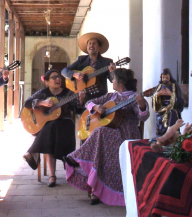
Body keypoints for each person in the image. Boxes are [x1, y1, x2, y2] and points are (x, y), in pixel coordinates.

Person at [64, 68, 150, 206]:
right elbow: (88, 103)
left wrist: (141, 105)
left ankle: (77, 159)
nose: (112, 82)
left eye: (114, 79)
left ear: (121, 82)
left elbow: (143, 117)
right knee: (101, 135)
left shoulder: (133, 97)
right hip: (110, 134)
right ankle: (95, 188)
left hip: (127, 135)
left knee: (99, 133)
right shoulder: (112, 96)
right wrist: (96, 107)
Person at [22, 69, 85, 187]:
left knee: (51, 128)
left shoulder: (68, 93)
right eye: (54, 77)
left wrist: (80, 101)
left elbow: (77, 110)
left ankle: (34, 154)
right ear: (46, 82)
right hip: (50, 127)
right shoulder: (43, 93)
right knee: (51, 128)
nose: (58, 79)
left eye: (58, 77)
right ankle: (52, 174)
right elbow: (27, 103)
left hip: (65, 123)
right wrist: (42, 103)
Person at [61, 32, 115, 101]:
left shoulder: (107, 62)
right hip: (83, 98)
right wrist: (75, 74)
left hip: (100, 98)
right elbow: (64, 71)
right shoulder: (81, 60)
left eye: (94, 43)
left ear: (99, 47)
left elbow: (112, 79)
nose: (91, 45)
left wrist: (112, 71)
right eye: (89, 43)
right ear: (87, 47)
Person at [152, 68, 185, 136]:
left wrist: (172, 95)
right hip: (162, 108)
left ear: (170, 77)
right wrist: (158, 94)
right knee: (160, 118)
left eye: (167, 78)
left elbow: (180, 99)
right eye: (163, 77)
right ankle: (162, 136)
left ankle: (171, 135)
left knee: (172, 113)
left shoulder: (174, 86)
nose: (165, 79)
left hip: (172, 107)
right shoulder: (159, 86)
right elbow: (154, 97)